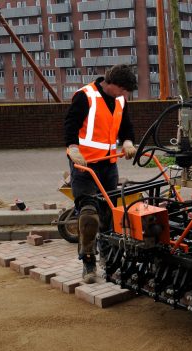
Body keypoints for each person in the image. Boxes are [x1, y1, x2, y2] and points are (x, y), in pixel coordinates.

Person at [64, 65, 138, 283]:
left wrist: (127, 141)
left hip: (108, 165)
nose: (124, 95)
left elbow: (126, 126)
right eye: (123, 90)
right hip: (85, 165)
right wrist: (72, 148)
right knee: (89, 214)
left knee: (108, 215)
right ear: (113, 84)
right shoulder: (85, 96)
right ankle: (88, 262)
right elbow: (70, 125)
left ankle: (109, 257)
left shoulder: (120, 101)